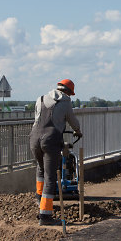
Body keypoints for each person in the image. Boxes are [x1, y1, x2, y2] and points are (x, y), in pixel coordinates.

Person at [30, 79, 82, 226]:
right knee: (50, 177)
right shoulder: (65, 102)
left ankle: (39, 200)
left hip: (34, 139)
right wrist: (78, 131)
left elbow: (37, 120)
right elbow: (73, 121)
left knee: (40, 169)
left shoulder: (40, 99)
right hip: (50, 140)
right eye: (70, 94)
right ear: (67, 92)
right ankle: (45, 216)